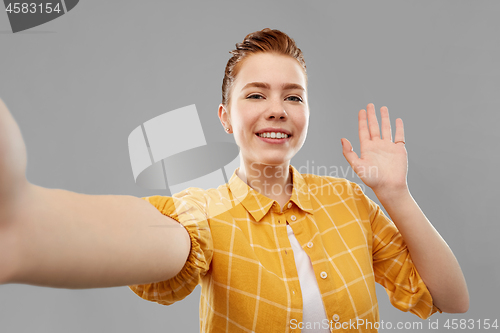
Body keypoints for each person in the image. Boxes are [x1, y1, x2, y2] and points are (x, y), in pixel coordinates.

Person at [0, 28, 468, 332]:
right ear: (226, 117)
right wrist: (29, 226)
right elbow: (156, 241)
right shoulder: (202, 212)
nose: (277, 109)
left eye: (294, 97)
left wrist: (395, 194)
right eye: (256, 94)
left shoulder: (347, 200)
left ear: (307, 113)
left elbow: (452, 300)